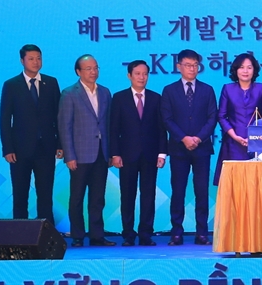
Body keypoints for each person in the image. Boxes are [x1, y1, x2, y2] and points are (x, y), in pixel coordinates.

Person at [0, 44, 62, 226]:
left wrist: (60, 144)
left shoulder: (51, 83)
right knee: (20, 194)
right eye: (31, 58)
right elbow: (5, 119)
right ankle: (20, 234)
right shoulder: (11, 85)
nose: (36, 62)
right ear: (22, 61)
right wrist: (7, 148)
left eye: (39, 58)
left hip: (46, 148)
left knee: (45, 195)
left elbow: (58, 116)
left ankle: (47, 234)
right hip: (20, 150)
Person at [161, 49, 217, 246]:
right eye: (187, 65)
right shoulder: (169, 91)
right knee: (178, 191)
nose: (192, 69)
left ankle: (202, 233)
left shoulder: (207, 90)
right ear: (179, 67)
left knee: (202, 191)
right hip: (179, 149)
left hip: (202, 149)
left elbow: (212, 118)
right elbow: (167, 119)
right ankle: (176, 232)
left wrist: (199, 138)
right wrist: (183, 138)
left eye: (195, 65)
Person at [110, 60, 167, 246]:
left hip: (150, 154)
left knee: (148, 195)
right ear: (129, 76)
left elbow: (161, 129)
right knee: (127, 195)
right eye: (137, 74)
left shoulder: (156, 98)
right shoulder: (119, 98)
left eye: (145, 74)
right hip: (127, 155)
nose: (142, 77)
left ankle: (145, 233)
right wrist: (115, 154)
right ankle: (128, 233)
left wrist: (162, 153)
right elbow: (113, 128)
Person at [58, 54, 114, 247]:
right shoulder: (69, 94)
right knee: (77, 197)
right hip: (79, 155)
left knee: (98, 198)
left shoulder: (105, 92)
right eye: (89, 68)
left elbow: (108, 124)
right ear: (78, 71)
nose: (93, 72)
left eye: (96, 68)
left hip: (101, 153)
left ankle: (97, 235)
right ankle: (78, 235)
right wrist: (69, 155)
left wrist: (110, 152)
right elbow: (65, 127)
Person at [213, 53, 262, 184]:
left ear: (254, 70)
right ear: (236, 70)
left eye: (249, 67)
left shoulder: (261, 88)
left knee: (256, 182)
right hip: (233, 141)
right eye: (241, 67)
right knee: (234, 182)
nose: (245, 71)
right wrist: (234, 136)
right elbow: (221, 116)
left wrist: (254, 138)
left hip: (257, 141)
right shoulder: (228, 89)